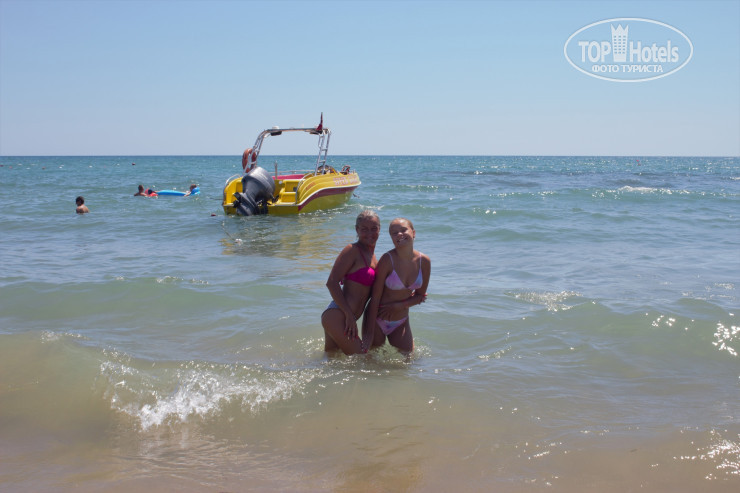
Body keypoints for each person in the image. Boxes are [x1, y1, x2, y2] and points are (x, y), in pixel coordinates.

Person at [363, 218, 430, 354]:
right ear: (392, 238)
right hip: (377, 319)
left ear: (413, 233)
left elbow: (420, 296)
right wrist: (369, 332)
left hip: (401, 321)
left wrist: (398, 306)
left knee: (408, 360)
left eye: (403, 230)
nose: (399, 234)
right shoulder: (387, 260)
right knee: (372, 362)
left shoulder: (424, 262)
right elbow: (375, 297)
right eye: (394, 233)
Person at [321, 210, 381, 355]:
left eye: (374, 228)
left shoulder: (373, 257)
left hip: (343, 319)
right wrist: (349, 315)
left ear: (379, 229)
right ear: (357, 230)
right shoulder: (352, 250)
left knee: (332, 361)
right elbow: (332, 283)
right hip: (338, 316)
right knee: (363, 361)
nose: (370, 233)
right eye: (364, 229)